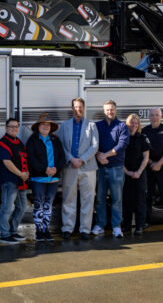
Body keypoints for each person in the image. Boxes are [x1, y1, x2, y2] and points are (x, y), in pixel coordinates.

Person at [59, 97, 99, 240]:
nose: (78, 110)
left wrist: (81, 159)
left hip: (88, 167)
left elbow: (94, 146)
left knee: (88, 198)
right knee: (69, 197)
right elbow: (61, 145)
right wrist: (71, 158)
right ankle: (68, 228)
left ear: (84, 108)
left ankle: (84, 229)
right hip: (70, 166)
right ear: (72, 109)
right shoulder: (64, 126)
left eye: (80, 107)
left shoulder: (91, 125)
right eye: (75, 107)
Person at [94, 100, 129, 238]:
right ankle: (100, 225)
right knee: (100, 199)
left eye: (112, 109)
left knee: (117, 199)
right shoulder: (98, 126)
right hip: (101, 168)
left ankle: (116, 226)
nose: (110, 112)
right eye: (107, 110)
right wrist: (98, 155)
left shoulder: (122, 126)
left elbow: (122, 145)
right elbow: (93, 143)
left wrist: (105, 155)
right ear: (104, 111)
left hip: (116, 168)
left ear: (116, 110)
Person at [26, 113, 64, 242]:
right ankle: (38, 231)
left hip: (53, 178)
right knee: (38, 204)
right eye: (42, 124)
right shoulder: (32, 140)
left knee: (48, 204)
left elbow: (61, 158)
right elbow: (31, 159)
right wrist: (45, 169)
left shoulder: (55, 140)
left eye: (47, 125)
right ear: (38, 126)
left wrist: (56, 169)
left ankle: (46, 230)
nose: (45, 126)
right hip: (38, 179)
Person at [0, 118, 29, 244]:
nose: (14, 129)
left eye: (16, 126)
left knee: (22, 206)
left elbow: (24, 159)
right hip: (9, 180)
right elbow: (7, 162)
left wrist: (26, 174)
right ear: (6, 128)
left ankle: (13, 231)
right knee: (7, 208)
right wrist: (21, 174)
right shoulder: (3, 143)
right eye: (11, 127)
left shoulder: (18, 142)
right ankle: (4, 234)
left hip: (21, 181)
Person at [122, 114, 150, 236]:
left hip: (140, 173)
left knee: (140, 201)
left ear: (138, 125)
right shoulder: (123, 138)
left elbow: (146, 157)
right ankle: (127, 225)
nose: (134, 125)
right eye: (131, 123)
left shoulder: (142, 138)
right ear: (127, 124)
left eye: (136, 123)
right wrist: (127, 172)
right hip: (126, 174)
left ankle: (139, 226)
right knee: (127, 201)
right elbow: (119, 158)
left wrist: (138, 172)